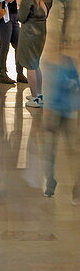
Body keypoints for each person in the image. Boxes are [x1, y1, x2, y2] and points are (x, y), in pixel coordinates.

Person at [41, 55, 80, 199]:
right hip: (55, 112)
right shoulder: (49, 63)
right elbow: (47, 89)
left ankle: (76, 186)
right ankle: (50, 182)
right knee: (50, 150)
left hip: (67, 112)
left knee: (71, 150)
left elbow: (77, 86)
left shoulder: (69, 64)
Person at [16, 0, 52, 107]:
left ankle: (35, 98)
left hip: (29, 35)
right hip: (41, 33)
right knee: (36, 64)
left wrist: (19, 5)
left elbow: (21, 18)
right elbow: (45, 14)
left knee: (30, 66)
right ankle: (39, 95)